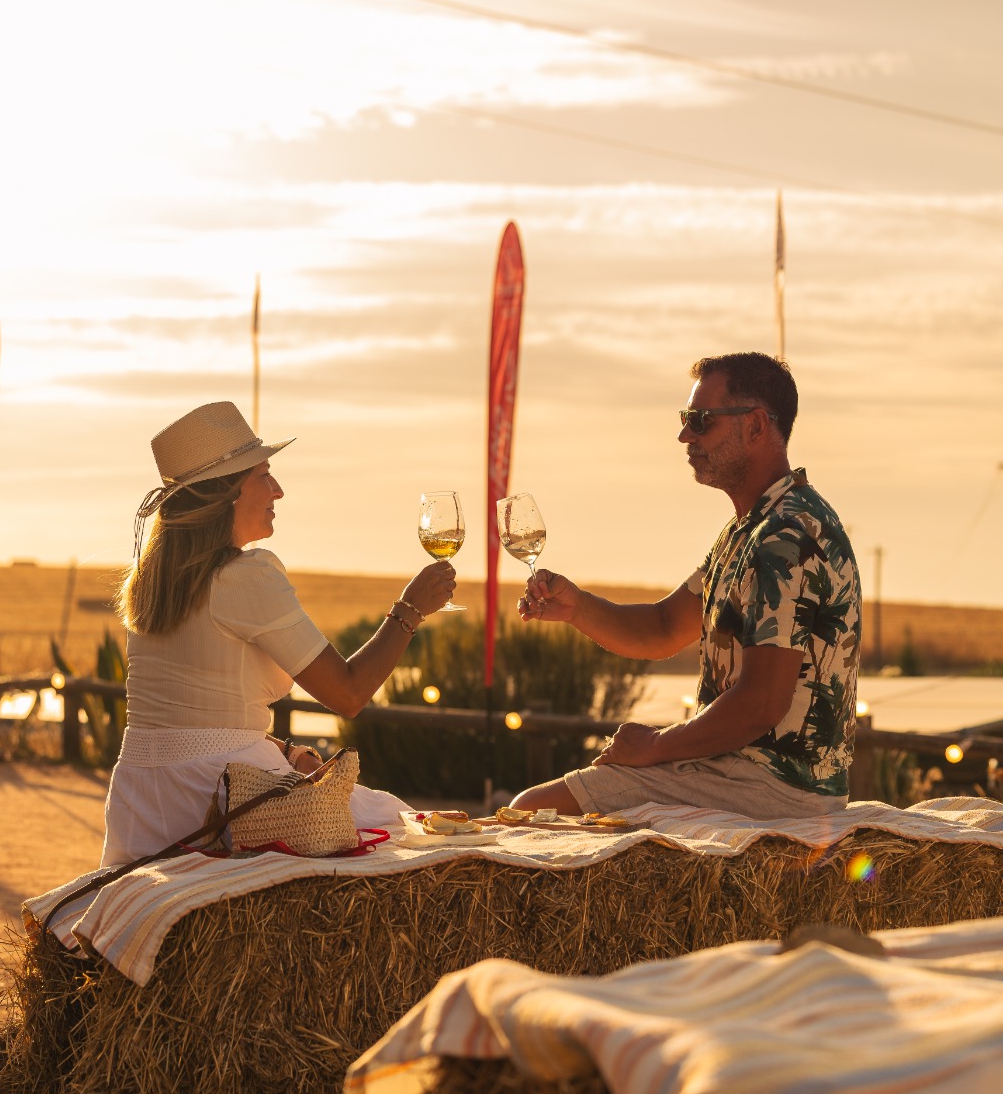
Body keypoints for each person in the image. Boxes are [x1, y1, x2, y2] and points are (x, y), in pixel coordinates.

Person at [511, 352, 862, 820]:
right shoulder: (751, 529)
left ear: (756, 426)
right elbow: (662, 627)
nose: (685, 436)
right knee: (539, 809)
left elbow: (761, 704)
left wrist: (654, 746)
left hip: (774, 788)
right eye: (685, 419)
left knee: (532, 810)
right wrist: (578, 608)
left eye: (700, 421)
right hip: (739, 773)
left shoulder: (786, 537)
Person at [102, 400, 455, 865]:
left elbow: (194, 722)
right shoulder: (246, 576)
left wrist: (286, 752)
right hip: (220, 799)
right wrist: (410, 609)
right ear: (228, 493)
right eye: (264, 476)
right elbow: (348, 694)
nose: (278, 490)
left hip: (140, 799)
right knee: (409, 831)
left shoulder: (150, 585)